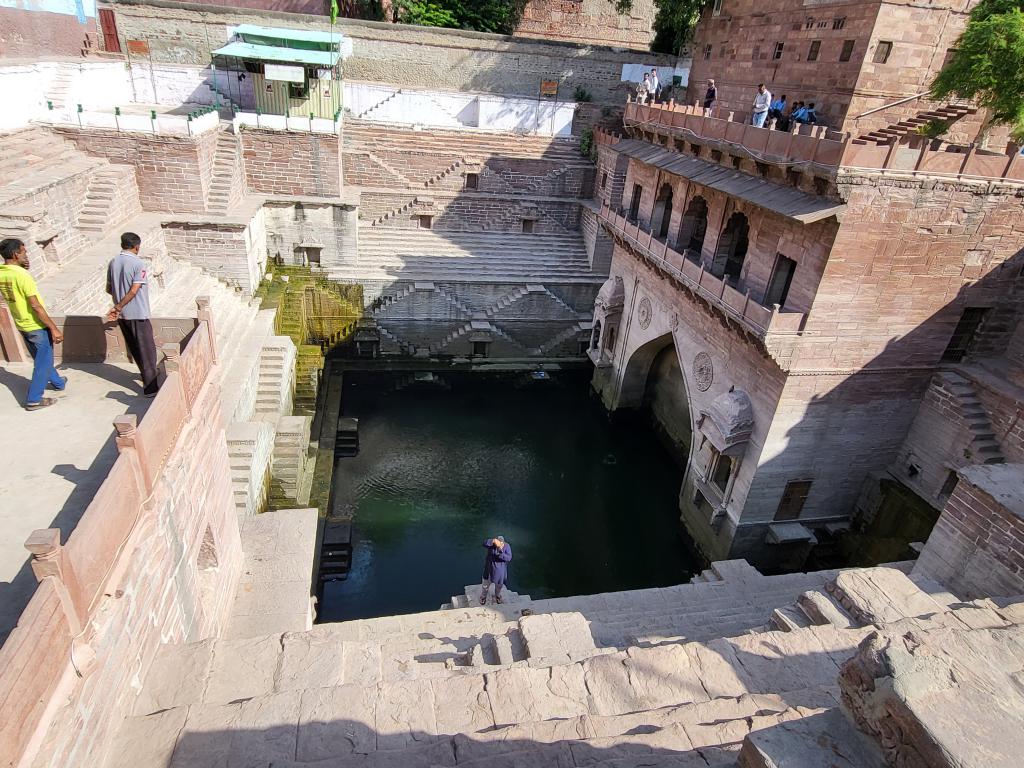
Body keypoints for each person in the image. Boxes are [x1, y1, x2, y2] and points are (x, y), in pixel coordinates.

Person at [0, 238, 66, 410]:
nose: (26, 255)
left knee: (42, 358)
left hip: (21, 324)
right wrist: (54, 328)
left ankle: (58, 383)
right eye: (24, 252)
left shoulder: (3, 272)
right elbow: (35, 305)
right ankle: (34, 399)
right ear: (16, 254)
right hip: (35, 325)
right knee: (42, 363)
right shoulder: (23, 276)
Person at [106, 232, 159, 397]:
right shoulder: (138, 264)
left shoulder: (113, 262)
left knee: (136, 349)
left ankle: (145, 377)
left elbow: (109, 289)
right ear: (137, 246)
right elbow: (135, 289)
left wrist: (118, 306)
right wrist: (120, 305)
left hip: (123, 317)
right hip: (138, 313)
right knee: (147, 351)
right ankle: (151, 388)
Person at [480, 535, 513, 605]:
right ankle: (483, 597)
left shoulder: (507, 546)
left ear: (503, 543)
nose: (499, 544)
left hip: (499, 573)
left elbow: (509, 558)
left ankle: (497, 596)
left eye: (501, 543)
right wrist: (493, 541)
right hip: (488, 571)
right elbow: (484, 543)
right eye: (498, 543)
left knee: (499, 587)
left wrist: (500, 552)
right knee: (485, 586)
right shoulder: (492, 545)